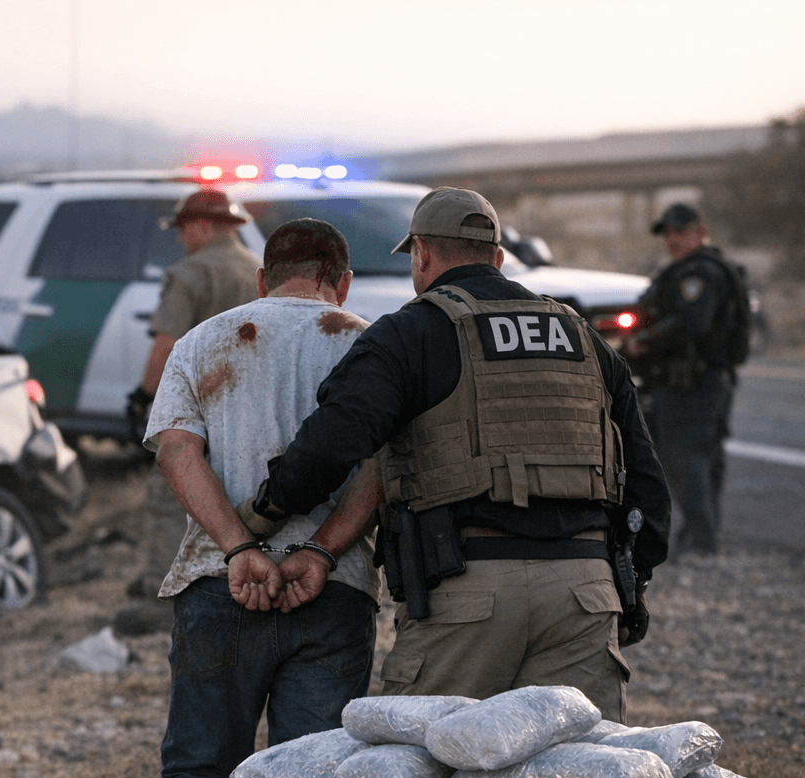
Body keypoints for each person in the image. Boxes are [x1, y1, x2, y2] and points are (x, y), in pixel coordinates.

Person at [248, 187, 670, 723]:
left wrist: (267, 511)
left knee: (425, 771)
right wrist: (631, 580)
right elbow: (647, 482)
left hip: (467, 591)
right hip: (584, 591)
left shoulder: (410, 333)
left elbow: (332, 442)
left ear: (421, 254)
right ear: (497, 257)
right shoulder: (581, 335)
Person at [144, 218, 383, 778]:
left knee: (199, 772)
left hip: (218, 583)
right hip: (331, 588)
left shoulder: (200, 342)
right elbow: (386, 465)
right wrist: (322, 550)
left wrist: (237, 549)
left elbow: (177, 450)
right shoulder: (372, 345)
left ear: (261, 279)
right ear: (344, 284)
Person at [120, 187, 262, 633]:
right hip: (251, 409)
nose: (181, 239)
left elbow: (166, 345)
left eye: (183, 229)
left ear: (200, 226)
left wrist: (143, 399)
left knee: (169, 493)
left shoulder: (190, 273)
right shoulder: (258, 270)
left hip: (199, 407)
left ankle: (163, 591)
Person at [625, 203, 749, 556]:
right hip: (692, 381)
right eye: (668, 233)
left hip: (693, 384)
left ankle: (701, 540)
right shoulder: (682, 272)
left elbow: (693, 323)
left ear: (700, 232)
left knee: (686, 458)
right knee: (700, 458)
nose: (672, 239)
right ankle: (701, 536)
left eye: (680, 232)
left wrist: (644, 342)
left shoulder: (701, 274)